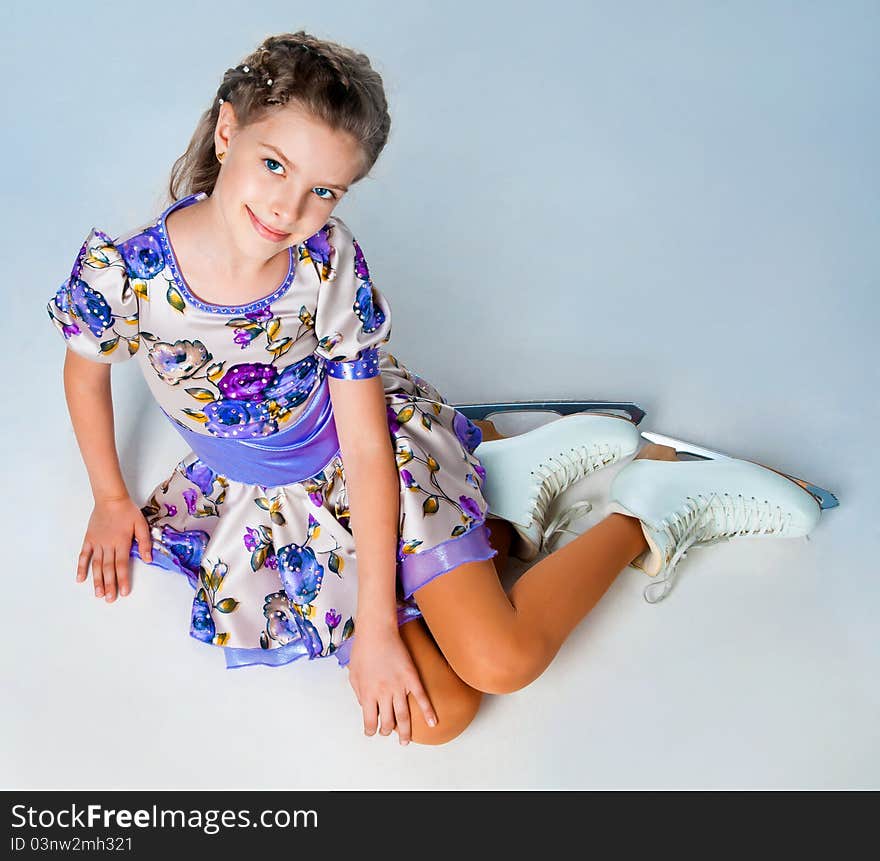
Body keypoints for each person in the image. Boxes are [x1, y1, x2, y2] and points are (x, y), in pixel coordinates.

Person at [46, 30, 831, 748]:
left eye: (326, 191)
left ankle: (644, 507)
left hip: (376, 465)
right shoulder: (124, 276)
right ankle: (506, 485)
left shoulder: (325, 265)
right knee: (441, 716)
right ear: (228, 133)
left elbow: (361, 442)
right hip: (271, 503)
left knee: (505, 661)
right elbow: (86, 378)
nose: (290, 208)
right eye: (275, 164)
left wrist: (380, 622)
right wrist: (111, 496)